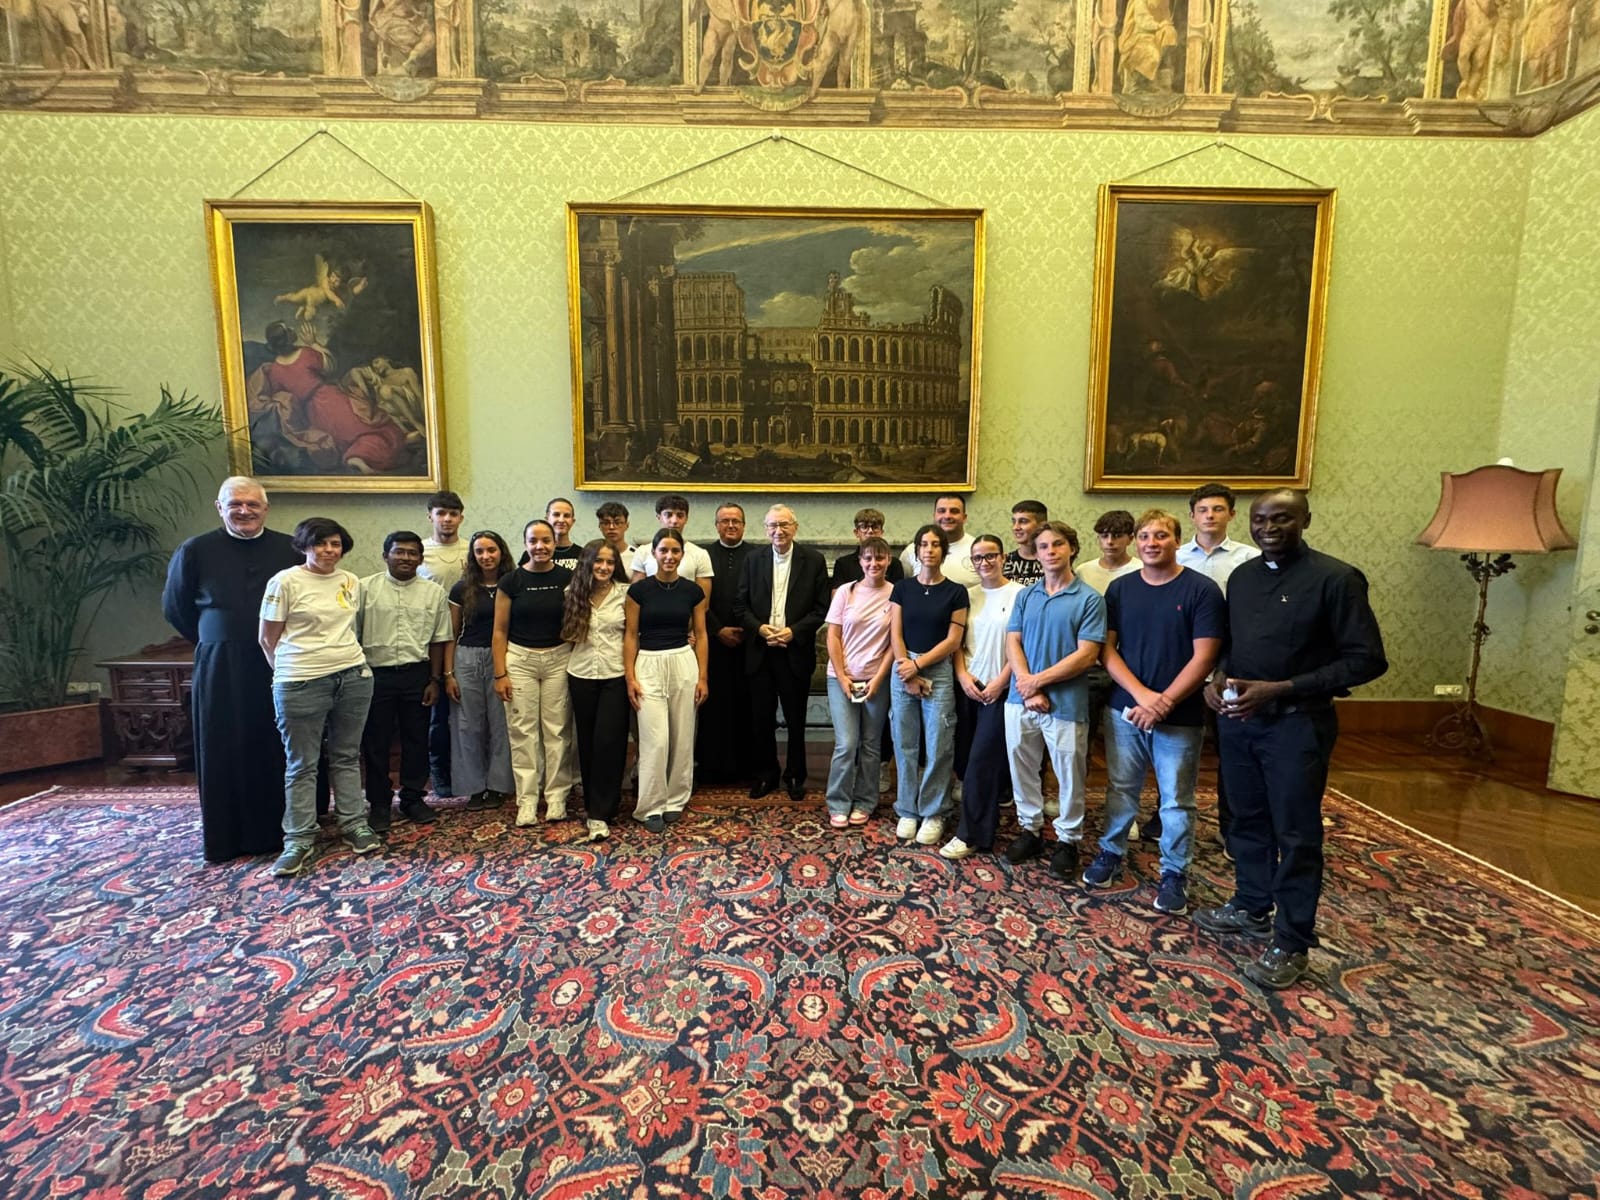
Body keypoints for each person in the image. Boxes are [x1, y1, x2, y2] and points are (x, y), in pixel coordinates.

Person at [1195, 489, 1388, 990]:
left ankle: (1292, 940)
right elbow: (1232, 644)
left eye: (1282, 518)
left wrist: (1282, 688)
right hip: (1239, 721)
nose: (1269, 528)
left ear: (1306, 520)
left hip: (1297, 724)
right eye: (1261, 519)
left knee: (1296, 834)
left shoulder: (1336, 579)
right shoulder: (1243, 578)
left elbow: (1367, 660)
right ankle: (1251, 904)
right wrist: (1217, 679)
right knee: (1245, 820)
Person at [1081, 510, 1224, 916]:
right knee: (1121, 788)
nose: (1151, 543)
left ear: (1177, 540)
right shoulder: (1121, 589)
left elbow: (1205, 656)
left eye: (1160, 535)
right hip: (1125, 708)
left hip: (1180, 713)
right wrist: (1143, 696)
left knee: (1176, 799)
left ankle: (1174, 872)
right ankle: (1111, 851)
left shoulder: (1202, 590)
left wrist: (1164, 702)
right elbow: (1106, 650)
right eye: (1144, 536)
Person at [162, 476, 302, 863]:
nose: (244, 511)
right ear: (219, 508)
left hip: (276, 659)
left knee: (275, 743)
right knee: (222, 745)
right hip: (220, 663)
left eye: (252, 504)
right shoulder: (195, 550)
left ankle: (281, 832)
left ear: (265, 509)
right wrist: (217, 636)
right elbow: (176, 607)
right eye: (235, 504)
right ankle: (226, 837)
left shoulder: (289, 549)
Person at [258, 517, 381, 877]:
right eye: (321, 543)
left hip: (353, 676)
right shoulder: (284, 582)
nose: (329, 550)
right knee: (302, 764)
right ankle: (298, 839)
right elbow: (267, 639)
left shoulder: (350, 581)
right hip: (300, 681)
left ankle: (354, 824)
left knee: (346, 756)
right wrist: (292, 670)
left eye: (335, 544)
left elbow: (347, 628)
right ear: (304, 546)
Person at [1003, 521, 1104, 881]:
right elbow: (1012, 641)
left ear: (1072, 548)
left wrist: (1037, 682)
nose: (1050, 552)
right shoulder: (1025, 596)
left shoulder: (1089, 599)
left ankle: (1068, 840)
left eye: (1057, 544)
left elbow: (1087, 654)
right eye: (1043, 547)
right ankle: (1030, 829)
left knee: (1069, 774)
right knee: (1022, 767)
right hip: (1019, 699)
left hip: (1066, 703)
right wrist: (1027, 687)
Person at [1172, 481, 1261, 851]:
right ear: (1192, 516)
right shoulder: (1175, 556)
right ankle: (1166, 819)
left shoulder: (1250, 559)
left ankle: (1232, 829)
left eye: (1218, 509)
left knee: (1232, 752)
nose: (1210, 516)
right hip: (1183, 666)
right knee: (1173, 749)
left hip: (1230, 666)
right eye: (1203, 510)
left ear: (1232, 514)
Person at [357, 530, 453, 833]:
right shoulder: (364, 589)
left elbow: (439, 639)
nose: (406, 558)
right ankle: (379, 803)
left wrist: (435, 679)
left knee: (417, 739)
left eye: (412, 553)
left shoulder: (434, 593)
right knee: (376, 742)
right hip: (375, 675)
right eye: (399, 551)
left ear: (421, 559)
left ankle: (412, 798)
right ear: (385, 555)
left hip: (417, 675)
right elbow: (352, 635)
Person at [735, 504, 830, 801]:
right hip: (761, 651)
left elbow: (822, 608)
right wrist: (760, 629)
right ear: (765, 529)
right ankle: (766, 774)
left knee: (795, 719)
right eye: (773, 525)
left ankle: (795, 775)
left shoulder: (813, 560)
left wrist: (794, 631)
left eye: (784, 524)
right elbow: (740, 605)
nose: (779, 530)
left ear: (795, 527)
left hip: (794, 650)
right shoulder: (753, 560)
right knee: (760, 719)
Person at [888, 524, 969, 845]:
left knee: (939, 744)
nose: (930, 549)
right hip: (902, 666)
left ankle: (935, 811)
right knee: (905, 742)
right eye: (924, 544)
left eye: (936, 544)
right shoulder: (902, 589)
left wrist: (918, 666)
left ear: (943, 551)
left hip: (938, 670)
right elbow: (895, 632)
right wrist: (907, 670)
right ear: (917, 550)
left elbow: (953, 640)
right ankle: (908, 808)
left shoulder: (956, 592)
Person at [941, 534, 1020, 859]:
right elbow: (957, 642)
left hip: (1001, 690)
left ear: (1003, 558)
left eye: (990, 556)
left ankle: (971, 834)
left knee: (981, 763)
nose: (984, 562)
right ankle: (984, 815)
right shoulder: (967, 595)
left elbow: (1023, 644)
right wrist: (962, 675)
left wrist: (1000, 682)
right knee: (963, 759)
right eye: (978, 558)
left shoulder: (1020, 594)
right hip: (968, 687)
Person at [625, 528, 710, 832]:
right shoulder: (638, 591)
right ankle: (650, 806)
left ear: (682, 555)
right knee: (655, 740)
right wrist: (630, 677)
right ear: (653, 554)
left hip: (683, 662)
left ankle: (675, 799)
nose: (669, 556)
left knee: (682, 736)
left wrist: (703, 677)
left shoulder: (693, 591)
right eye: (664, 550)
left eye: (675, 551)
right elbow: (630, 635)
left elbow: (701, 634)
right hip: (648, 663)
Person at [492, 519, 575, 827]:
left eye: (546, 540)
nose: (540, 546)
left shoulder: (568, 578)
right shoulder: (511, 581)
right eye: (533, 541)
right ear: (525, 544)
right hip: (520, 660)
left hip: (559, 659)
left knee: (557, 731)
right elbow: (499, 631)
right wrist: (500, 673)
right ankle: (526, 800)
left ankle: (556, 798)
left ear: (554, 543)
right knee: (522, 731)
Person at [247, 322, 408, 474]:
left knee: (344, 436)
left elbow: (279, 392)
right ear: (286, 338)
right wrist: (314, 343)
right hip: (331, 398)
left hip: (313, 413)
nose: (292, 330)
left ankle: (357, 456)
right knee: (367, 427)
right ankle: (358, 456)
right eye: (288, 329)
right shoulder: (305, 353)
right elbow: (331, 366)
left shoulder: (275, 370)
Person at [824, 535, 896, 828]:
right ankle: (838, 802)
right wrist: (842, 676)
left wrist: (878, 679)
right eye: (868, 558)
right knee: (846, 743)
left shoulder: (897, 594)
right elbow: (833, 635)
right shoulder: (846, 591)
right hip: (841, 678)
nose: (873, 563)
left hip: (877, 679)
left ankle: (865, 801)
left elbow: (894, 643)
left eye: (879, 558)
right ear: (860, 561)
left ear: (888, 561)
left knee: (870, 744)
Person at [563, 540, 629, 842]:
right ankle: (594, 806)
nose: (604, 567)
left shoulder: (626, 594)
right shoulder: (572, 593)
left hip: (616, 675)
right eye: (598, 561)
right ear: (587, 563)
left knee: (609, 741)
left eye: (610, 562)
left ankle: (603, 810)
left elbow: (635, 634)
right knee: (587, 742)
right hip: (581, 674)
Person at [445, 530, 515, 812]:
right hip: (467, 658)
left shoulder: (513, 583)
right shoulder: (461, 588)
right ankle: (474, 787)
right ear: (473, 556)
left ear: (501, 552)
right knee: (467, 725)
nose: (486, 556)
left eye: (491, 550)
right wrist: (448, 674)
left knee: (501, 723)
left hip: (504, 658)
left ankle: (499, 785)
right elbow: (451, 633)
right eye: (480, 551)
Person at [697, 502, 757, 786]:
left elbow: (762, 596)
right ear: (716, 525)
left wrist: (747, 629)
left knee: (747, 705)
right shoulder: (703, 555)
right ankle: (712, 768)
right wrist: (718, 629)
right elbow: (698, 600)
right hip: (712, 642)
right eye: (724, 521)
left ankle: (747, 768)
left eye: (736, 521)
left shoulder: (757, 555)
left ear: (744, 525)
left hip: (749, 643)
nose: (730, 525)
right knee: (714, 707)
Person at [418, 490, 466, 798]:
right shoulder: (419, 551)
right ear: (431, 517)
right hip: (430, 640)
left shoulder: (472, 550)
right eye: (441, 513)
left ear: (461, 517)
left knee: (464, 712)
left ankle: (467, 771)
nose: (447, 519)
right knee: (437, 713)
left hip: (466, 639)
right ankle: (439, 772)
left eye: (453, 514)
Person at [629, 493, 714, 603]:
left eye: (680, 515)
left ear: (686, 519)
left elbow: (703, 603)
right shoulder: (642, 552)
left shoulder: (700, 554)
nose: (674, 521)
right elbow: (636, 598)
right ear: (659, 517)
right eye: (668, 515)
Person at [900, 494, 978, 596]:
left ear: (964, 517)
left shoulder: (978, 550)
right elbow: (902, 590)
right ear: (934, 516)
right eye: (942, 511)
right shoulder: (912, 550)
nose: (947, 516)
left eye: (954, 511)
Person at [833, 508, 905, 588]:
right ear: (856, 532)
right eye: (864, 527)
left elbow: (899, 594)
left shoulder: (894, 564)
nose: (870, 531)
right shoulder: (843, 564)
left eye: (875, 527)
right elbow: (836, 594)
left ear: (881, 532)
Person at [1004, 500, 1048, 584]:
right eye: (1014, 522)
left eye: (1023, 521)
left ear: (1042, 525)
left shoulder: (1052, 559)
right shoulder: (1004, 562)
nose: (1016, 527)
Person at [547, 497, 582, 569]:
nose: (561, 520)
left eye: (566, 516)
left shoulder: (583, 554)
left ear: (573, 521)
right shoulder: (535, 554)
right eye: (556, 514)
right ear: (547, 519)